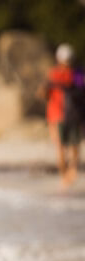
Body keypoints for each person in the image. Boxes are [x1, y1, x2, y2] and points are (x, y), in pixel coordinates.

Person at [45, 43, 84, 188]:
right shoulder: (54, 74)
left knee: (73, 146)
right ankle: (64, 177)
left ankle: (70, 173)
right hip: (58, 115)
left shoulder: (77, 74)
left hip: (72, 115)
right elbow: (45, 94)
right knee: (61, 147)